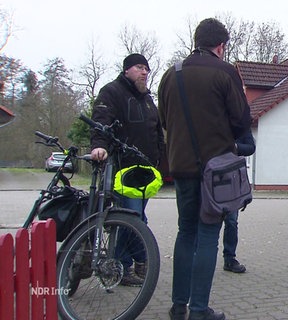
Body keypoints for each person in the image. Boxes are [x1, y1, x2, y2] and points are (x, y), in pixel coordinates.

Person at [158, 18, 251, 320]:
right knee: (209, 234)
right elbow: (240, 119)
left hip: (181, 166)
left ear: (196, 41)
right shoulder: (226, 72)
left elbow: (163, 119)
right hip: (216, 170)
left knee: (186, 233)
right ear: (221, 46)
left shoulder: (170, 75)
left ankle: (177, 305)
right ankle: (199, 310)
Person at [90, 53, 165, 287]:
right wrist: (99, 146)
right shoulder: (112, 92)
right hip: (122, 168)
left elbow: (156, 130)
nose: (145, 72)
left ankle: (121, 263)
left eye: (147, 69)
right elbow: (101, 120)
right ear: (126, 70)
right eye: (139, 67)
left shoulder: (147, 99)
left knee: (133, 218)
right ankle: (136, 260)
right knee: (134, 219)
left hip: (144, 171)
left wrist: (159, 157)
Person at [223, 129, 255, 274]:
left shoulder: (240, 123)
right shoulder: (212, 118)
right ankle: (202, 258)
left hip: (233, 178)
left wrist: (234, 147)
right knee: (208, 222)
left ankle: (230, 258)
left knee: (231, 221)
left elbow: (250, 147)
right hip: (211, 177)